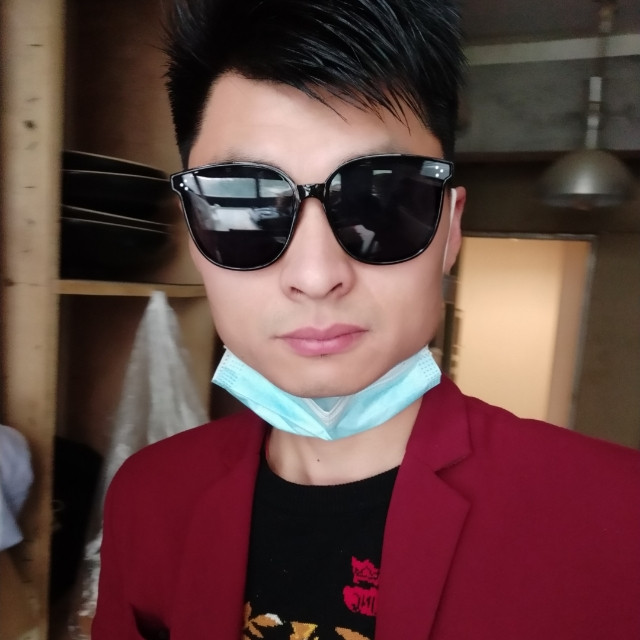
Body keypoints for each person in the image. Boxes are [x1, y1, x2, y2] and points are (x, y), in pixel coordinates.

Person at [92, 1, 640, 638]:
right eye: (245, 207)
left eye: (380, 200)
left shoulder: (617, 518)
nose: (316, 274)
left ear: (450, 229)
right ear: (195, 236)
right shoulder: (150, 498)